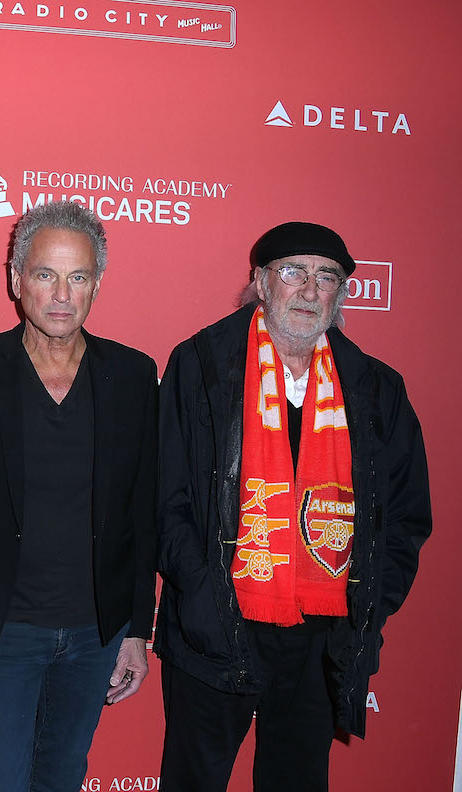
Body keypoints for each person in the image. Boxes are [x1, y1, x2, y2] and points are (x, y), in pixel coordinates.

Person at [154, 221, 432, 791]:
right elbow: (165, 498)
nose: (309, 291)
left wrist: (369, 604)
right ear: (260, 281)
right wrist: (204, 599)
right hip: (216, 622)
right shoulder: (201, 366)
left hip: (322, 635)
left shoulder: (377, 389)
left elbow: (406, 516)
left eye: (326, 276)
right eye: (292, 272)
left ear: (340, 292)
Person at [0, 200, 158, 792]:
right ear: (16, 280)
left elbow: (143, 511)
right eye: (45, 274)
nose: (62, 294)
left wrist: (137, 628)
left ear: (97, 285)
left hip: (95, 632)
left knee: (61, 780)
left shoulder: (134, 376)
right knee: (0, 783)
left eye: (78, 277)